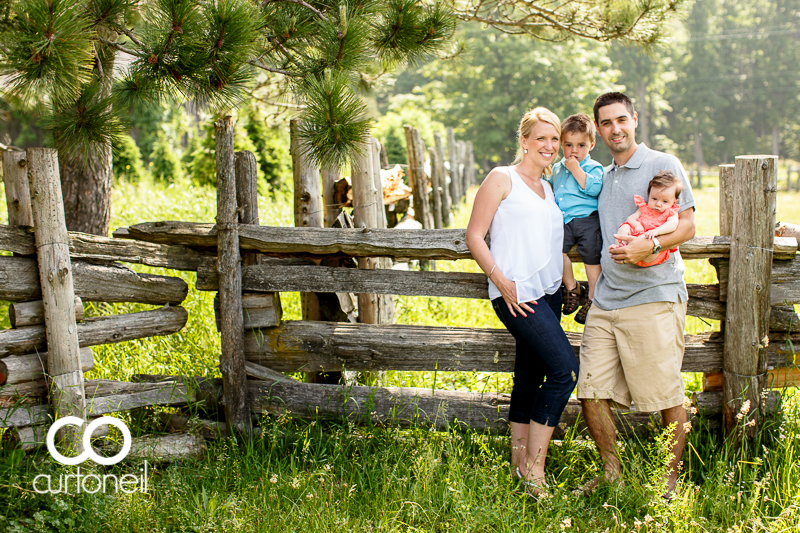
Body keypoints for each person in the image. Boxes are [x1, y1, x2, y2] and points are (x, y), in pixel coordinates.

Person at [577, 92, 696, 495]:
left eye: (621, 120)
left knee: (664, 391)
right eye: (606, 123)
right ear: (598, 130)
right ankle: (613, 473)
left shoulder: (664, 164)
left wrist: (652, 245)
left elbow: (686, 227)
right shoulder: (604, 177)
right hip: (607, 300)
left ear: (635, 119)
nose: (615, 129)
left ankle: (669, 481)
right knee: (591, 389)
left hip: (653, 295)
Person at [465, 107, 579, 496]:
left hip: (546, 295)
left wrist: (567, 279)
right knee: (565, 371)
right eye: (542, 138)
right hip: (516, 295)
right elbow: (475, 235)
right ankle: (534, 471)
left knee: (530, 377)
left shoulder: (548, 189)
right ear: (524, 141)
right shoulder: (502, 178)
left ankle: (517, 465)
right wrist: (500, 279)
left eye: (554, 140)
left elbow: (554, 242)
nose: (549, 146)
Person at [546, 113, 604, 324]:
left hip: (588, 220)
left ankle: (592, 298)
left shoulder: (592, 167)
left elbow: (595, 188)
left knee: (591, 256)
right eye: (569, 145)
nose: (574, 150)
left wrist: (577, 170)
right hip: (564, 221)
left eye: (581, 145)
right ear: (561, 144)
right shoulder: (557, 168)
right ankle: (572, 287)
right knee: (556, 251)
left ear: (592, 144)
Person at [616, 171, 683, 267]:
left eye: (665, 201)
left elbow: (672, 225)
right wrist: (637, 225)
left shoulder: (670, 213)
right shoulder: (644, 208)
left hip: (652, 250)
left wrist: (656, 231)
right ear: (649, 195)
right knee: (624, 227)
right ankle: (620, 248)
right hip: (635, 236)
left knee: (646, 238)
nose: (658, 204)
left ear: (674, 202)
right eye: (654, 199)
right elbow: (630, 218)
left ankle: (628, 248)